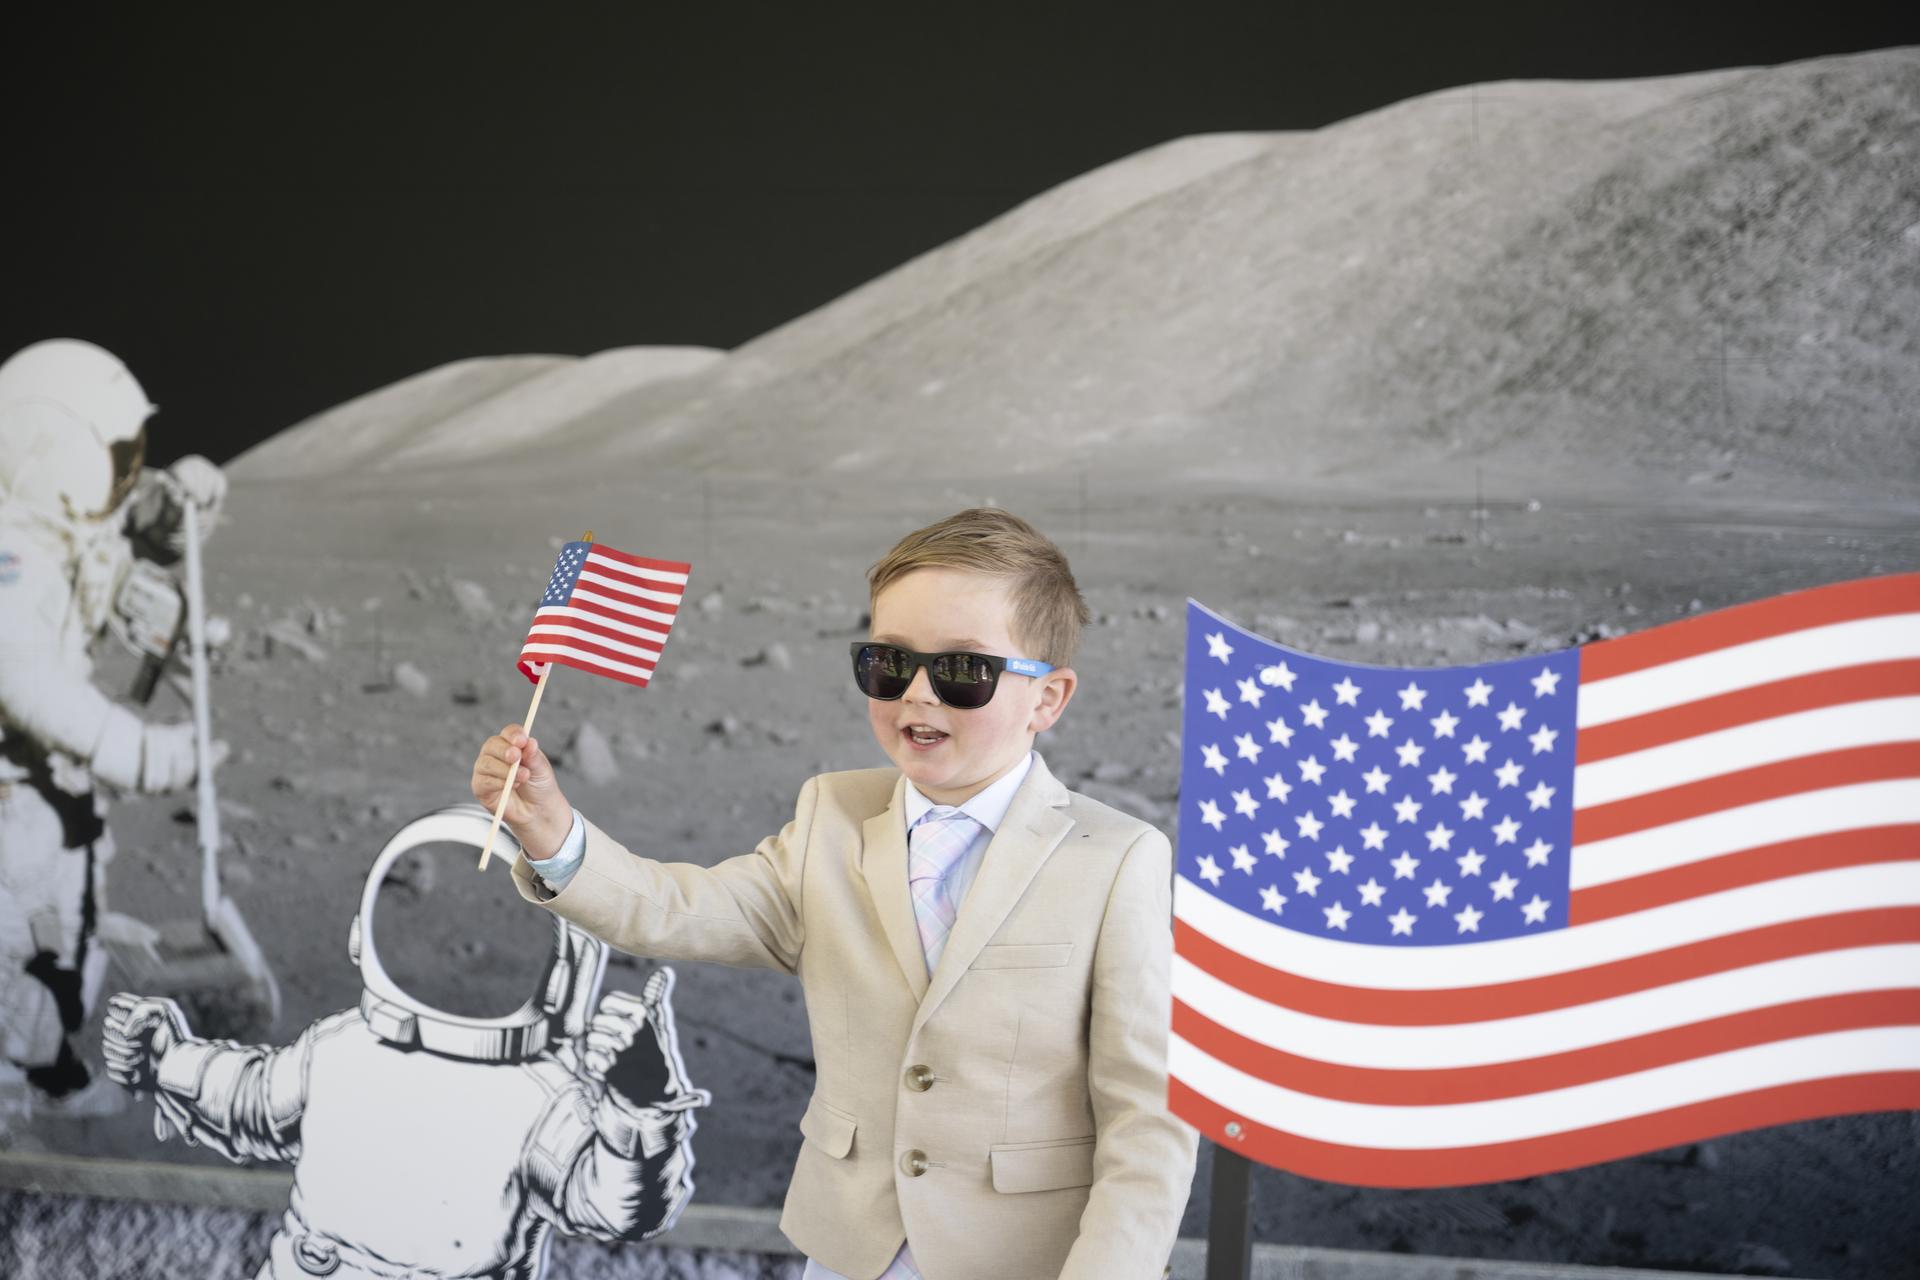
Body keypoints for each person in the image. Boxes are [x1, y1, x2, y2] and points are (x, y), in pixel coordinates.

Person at [471, 508, 1197, 1280]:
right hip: (852, 1253)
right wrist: (554, 832)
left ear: (1047, 699)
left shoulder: (1115, 860)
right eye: (889, 664)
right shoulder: (832, 815)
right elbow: (681, 910)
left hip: (1028, 1261)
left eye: (962, 671)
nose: (917, 694)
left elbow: (1145, 1117)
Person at [103, 803, 708, 1280]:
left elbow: (618, 1204)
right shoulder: (346, 1051)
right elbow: (250, 1095)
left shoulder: (533, 1099)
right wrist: (164, 1057)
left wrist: (640, 1110)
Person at [0, 338, 227, 1114]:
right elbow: (25, 682)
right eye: (117, 455)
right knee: (16, 936)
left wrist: (187, 500)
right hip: (11, 792)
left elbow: (142, 530)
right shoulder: (9, 557)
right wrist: (143, 754)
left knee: (67, 919)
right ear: (55, 453)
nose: (130, 470)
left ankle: (44, 1068)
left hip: (45, 785)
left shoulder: (62, 526)